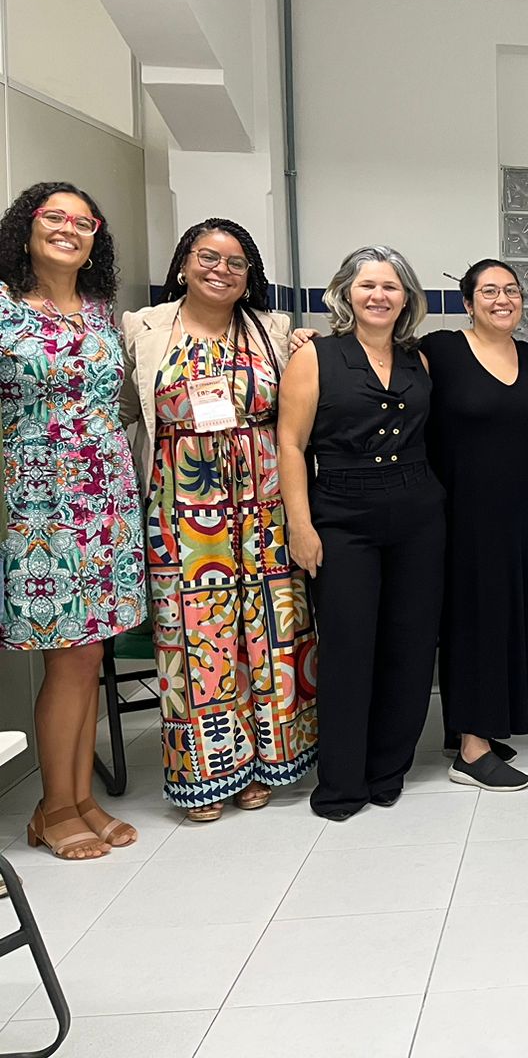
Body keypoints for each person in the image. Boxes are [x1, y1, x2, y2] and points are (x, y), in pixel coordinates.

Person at [122, 218, 317, 821]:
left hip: (264, 500)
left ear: (249, 276)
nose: (221, 270)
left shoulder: (273, 330)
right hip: (179, 504)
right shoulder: (143, 328)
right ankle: (207, 774)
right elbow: (124, 408)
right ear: (184, 263)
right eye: (208, 257)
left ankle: (264, 764)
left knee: (270, 632)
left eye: (236, 263)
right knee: (195, 637)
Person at [0, 182, 145, 860]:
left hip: (106, 503)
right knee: (68, 655)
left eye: (83, 222)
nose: (68, 229)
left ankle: (79, 798)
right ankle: (54, 808)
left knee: (90, 654)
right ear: (25, 229)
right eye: (53, 217)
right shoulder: (4, 309)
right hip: (40, 507)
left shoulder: (97, 312)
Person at [279, 247, 445, 820]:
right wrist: (300, 525)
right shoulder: (316, 356)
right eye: (368, 285)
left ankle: (387, 769)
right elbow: (291, 445)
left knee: (411, 646)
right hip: (342, 514)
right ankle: (342, 783)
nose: (379, 295)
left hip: (418, 514)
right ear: (346, 292)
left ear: (407, 298)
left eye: (391, 287)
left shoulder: (418, 360)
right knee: (348, 648)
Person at [419, 260, 528, 791]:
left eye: (511, 290)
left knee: (503, 618)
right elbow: (381, 371)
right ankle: (472, 752)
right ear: (468, 303)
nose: (503, 299)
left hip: (514, 511)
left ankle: (475, 729)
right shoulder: (440, 351)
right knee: (471, 620)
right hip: (457, 511)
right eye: (490, 291)